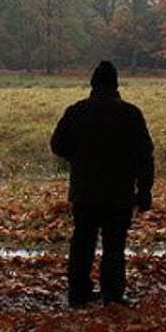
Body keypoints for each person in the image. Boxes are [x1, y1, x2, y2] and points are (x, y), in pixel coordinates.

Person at [51, 60, 154, 307]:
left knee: (82, 243)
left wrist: (77, 158)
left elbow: (57, 145)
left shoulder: (77, 111)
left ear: (92, 83)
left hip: (85, 191)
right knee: (115, 245)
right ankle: (113, 294)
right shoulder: (131, 114)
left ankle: (78, 294)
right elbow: (144, 156)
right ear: (116, 84)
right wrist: (144, 191)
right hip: (119, 192)